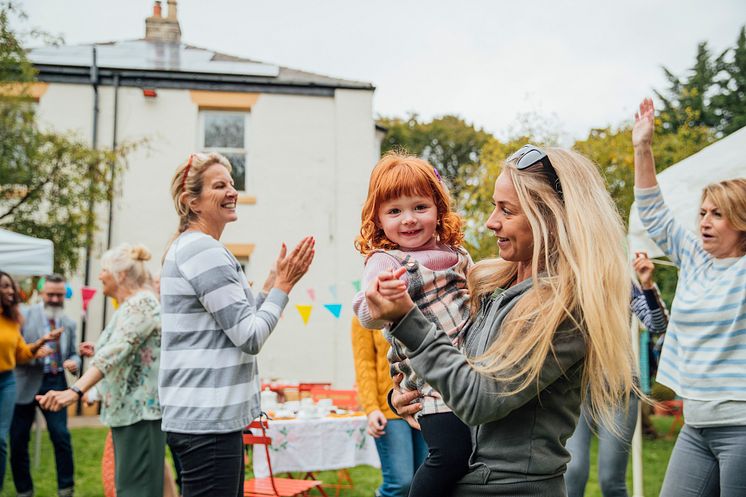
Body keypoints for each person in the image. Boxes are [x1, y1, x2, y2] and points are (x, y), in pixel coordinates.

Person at [374, 144, 640, 496]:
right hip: (460, 481)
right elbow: (455, 359)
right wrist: (406, 394)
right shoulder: (487, 279)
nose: (491, 222)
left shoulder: (566, 311)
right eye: (493, 206)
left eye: (507, 210)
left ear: (550, 218)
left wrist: (406, 319)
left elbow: (479, 399)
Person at [159, 152, 315, 497]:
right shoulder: (204, 251)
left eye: (231, 183)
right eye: (219, 185)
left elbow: (235, 322)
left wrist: (270, 284)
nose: (232, 191)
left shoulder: (194, 247)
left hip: (198, 419)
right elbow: (250, 336)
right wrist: (284, 287)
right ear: (192, 202)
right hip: (208, 422)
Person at [632, 97, 746, 497]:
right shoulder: (695, 258)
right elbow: (654, 213)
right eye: (702, 213)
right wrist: (642, 148)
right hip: (695, 425)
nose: (704, 222)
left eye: (717, 214)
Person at [352, 152, 473, 497]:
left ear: (438, 208)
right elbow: (365, 314)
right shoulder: (385, 261)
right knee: (449, 457)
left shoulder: (459, 255)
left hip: (469, 374)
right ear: (377, 219)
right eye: (394, 211)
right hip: (430, 386)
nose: (408, 219)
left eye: (419, 207)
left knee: (466, 464)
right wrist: (380, 299)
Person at [37, 244, 164, 497]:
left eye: (104, 269)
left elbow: (116, 351)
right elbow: (126, 350)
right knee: (130, 488)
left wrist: (74, 391)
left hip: (139, 413)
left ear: (122, 275)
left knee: (136, 490)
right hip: (127, 412)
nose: (99, 276)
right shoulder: (130, 305)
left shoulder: (142, 303)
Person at [565, 252, 668, 497]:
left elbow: (659, 325)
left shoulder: (621, 280)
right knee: (572, 472)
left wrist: (647, 284)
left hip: (617, 388)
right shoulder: (568, 277)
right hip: (576, 390)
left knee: (611, 480)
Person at [11, 273, 80, 497]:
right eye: (50, 294)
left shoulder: (69, 323)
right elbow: (15, 350)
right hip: (25, 382)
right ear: (42, 293)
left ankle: (66, 489)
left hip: (56, 381)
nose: (54, 299)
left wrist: (74, 363)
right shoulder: (24, 315)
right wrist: (33, 353)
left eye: (59, 295)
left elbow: (74, 354)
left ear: (64, 295)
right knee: (19, 439)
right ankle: (24, 491)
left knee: (61, 437)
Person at [351, 316, 428, 497]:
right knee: (400, 483)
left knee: (424, 481)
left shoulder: (420, 302)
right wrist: (371, 408)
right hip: (388, 411)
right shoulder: (364, 312)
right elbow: (364, 365)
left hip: (425, 404)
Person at [0, 271, 60, 495]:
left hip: (7, 381)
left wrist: (40, 342)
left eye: (11, 287)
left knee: (1, 441)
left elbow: (21, 354)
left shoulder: (12, 318)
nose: (10, 291)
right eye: (4, 286)